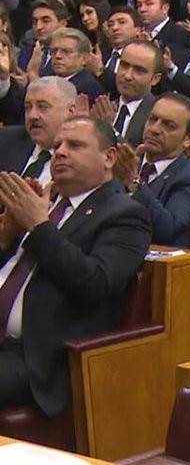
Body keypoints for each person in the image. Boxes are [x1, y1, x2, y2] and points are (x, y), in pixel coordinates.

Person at [0, 115, 152, 417]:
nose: (60, 152)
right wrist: (6, 237)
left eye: (75, 145)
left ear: (109, 157)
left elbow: (93, 284)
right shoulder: (44, 203)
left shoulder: (125, 215)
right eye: (57, 145)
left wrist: (39, 227)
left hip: (33, 353)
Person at [119, 93, 190, 246]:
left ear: (188, 139)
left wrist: (134, 182)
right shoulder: (126, 162)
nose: (155, 129)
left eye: (169, 126)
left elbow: (168, 229)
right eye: (152, 119)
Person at [109, 39, 160, 144]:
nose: (127, 76)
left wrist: (108, 129)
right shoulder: (105, 108)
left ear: (155, 79)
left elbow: (136, 153)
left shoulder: (157, 117)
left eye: (139, 70)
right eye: (124, 65)